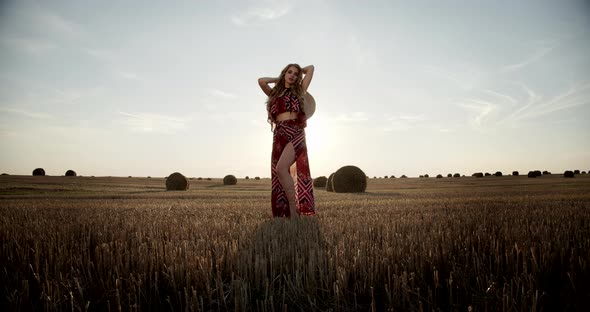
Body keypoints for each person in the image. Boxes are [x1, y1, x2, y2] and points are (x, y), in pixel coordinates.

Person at [258, 64, 316, 218]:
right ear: (284, 73)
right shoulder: (274, 94)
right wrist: (279, 79)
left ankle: (293, 209)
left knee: (281, 168)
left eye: (296, 74)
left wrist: (299, 72)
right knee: (279, 174)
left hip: (295, 132)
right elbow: (261, 81)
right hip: (279, 135)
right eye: (289, 72)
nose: (293, 75)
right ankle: (287, 211)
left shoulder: (299, 90)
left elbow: (311, 68)